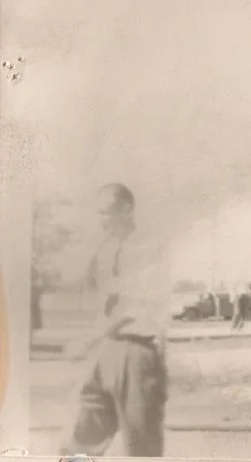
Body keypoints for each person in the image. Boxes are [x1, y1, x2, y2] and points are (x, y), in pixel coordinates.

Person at [59, 183, 171, 458]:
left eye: (107, 213)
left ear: (128, 209)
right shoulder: (108, 252)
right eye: (98, 214)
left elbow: (133, 308)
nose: (102, 220)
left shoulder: (147, 248)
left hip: (137, 350)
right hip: (109, 348)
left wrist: (90, 339)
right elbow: (109, 306)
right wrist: (92, 339)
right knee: (85, 432)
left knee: (141, 442)